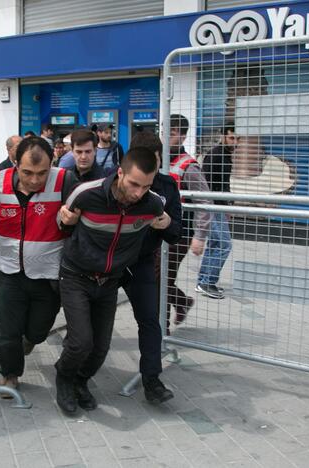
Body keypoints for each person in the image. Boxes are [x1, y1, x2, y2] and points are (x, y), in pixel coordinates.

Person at [54, 147, 171, 414]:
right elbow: (62, 225)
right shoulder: (87, 193)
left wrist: (166, 221)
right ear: (120, 173)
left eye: (146, 186)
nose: (138, 192)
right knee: (81, 341)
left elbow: (168, 221)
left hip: (110, 281)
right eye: (133, 184)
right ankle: (64, 378)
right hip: (76, 276)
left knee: (100, 348)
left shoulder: (152, 203)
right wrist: (64, 220)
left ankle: (81, 382)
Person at [0, 136, 78, 394]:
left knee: (38, 330)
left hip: (48, 274)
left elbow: (79, 214)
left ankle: (30, 340)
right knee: (8, 329)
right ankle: (10, 374)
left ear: (52, 163)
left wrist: (71, 220)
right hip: (8, 269)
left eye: (42, 173)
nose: (34, 180)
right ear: (15, 163)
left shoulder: (65, 180)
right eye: (27, 172)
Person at [123, 131, 183, 403]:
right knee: (89, 324)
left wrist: (167, 224)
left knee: (150, 320)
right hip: (107, 261)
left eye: (155, 164)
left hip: (143, 263)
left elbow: (177, 232)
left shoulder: (167, 186)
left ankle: (152, 380)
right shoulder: (114, 180)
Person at [167, 114, 211, 322]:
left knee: (162, 279)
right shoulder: (159, 160)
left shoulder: (189, 166)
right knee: (158, 279)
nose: (165, 136)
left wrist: (200, 236)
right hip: (157, 232)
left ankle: (161, 331)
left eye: (171, 132)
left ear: (182, 136)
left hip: (180, 234)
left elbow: (204, 201)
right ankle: (182, 302)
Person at [196, 125, 238, 300]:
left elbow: (224, 185)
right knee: (224, 245)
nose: (235, 142)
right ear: (223, 136)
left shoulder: (225, 155)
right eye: (231, 138)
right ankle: (207, 282)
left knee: (215, 244)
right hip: (212, 207)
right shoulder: (217, 155)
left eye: (237, 139)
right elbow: (208, 185)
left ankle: (203, 282)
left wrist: (227, 206)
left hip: (218, 207)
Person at [0, 135, 23, 229]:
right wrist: (3, 214)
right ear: (9, 149)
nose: (21, 150)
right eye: (18, 147)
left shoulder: (27, 167)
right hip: (4, 221)